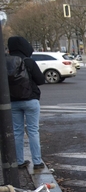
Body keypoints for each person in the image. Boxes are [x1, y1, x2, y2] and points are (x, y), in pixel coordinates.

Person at [7, 36, 46, 169]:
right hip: (30, 100)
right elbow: (40, 80)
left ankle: (19, 161)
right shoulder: (28, 61)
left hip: (12, 102)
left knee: (17, 132)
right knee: (33, 131)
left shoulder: (5, 62)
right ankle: (37, 161)